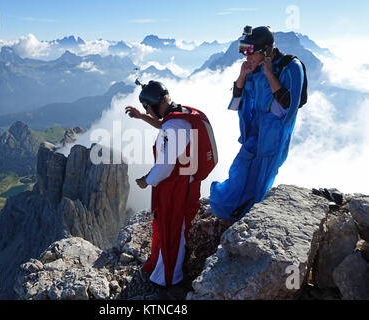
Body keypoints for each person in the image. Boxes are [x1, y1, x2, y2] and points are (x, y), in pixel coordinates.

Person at [125, 80, 217, 287]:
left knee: (173, 230)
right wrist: (142, 118)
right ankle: (162, 268)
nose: (146, 112)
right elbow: (164, 123)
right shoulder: (180, 114)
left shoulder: (174, 127)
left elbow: (164, 167)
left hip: (176, 188)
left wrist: (145, 181)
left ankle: (168, 279)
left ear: (150, 105)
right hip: (185, 183)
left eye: (145, 109)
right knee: (172, 228)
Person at [210, 26, 305, 222]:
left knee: (260, 179)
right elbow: (238, 102)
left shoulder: (291, 67)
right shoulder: (254, 68)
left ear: (267, 49)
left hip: (274, 137)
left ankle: (247, 216)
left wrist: (270, 75)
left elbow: (289, 107)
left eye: (250, 53)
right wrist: (243, 76)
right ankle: (230, 208)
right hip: (255, 133)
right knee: (240, 171)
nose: (247, 58)